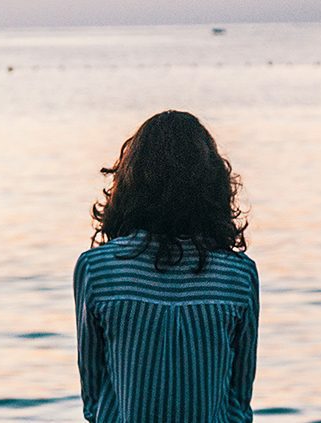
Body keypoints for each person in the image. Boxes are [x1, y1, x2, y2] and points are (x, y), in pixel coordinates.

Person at [74, 110, 259, 422]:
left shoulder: (98, 270)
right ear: (213, 186)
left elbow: (93, 396)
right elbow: (239, 401)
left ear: (130, 183)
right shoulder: (238, 275)